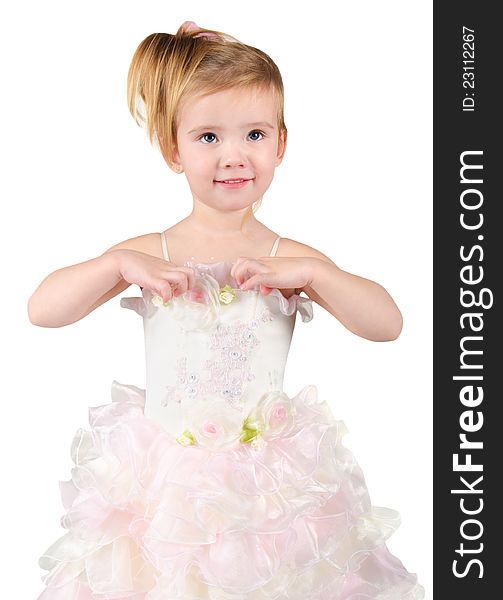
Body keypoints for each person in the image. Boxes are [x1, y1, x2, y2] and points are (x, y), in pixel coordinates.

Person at [28, 20, 425, 599]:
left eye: (255, 134)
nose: (234, 156)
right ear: (174, 149)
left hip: (266, 492)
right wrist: (116, 267)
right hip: (163, 491)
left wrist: (316, 276)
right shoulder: (149, 252)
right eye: (208, 137)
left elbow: (387, 323)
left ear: (281, 143)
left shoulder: (286, 256)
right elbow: (43, 309)